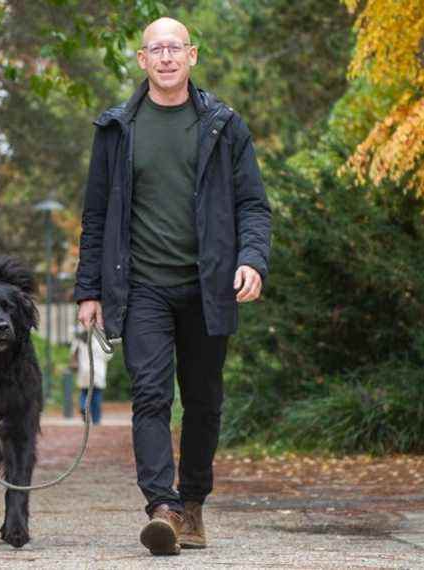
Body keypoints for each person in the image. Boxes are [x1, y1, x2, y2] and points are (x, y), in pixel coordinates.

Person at [73, 16, 271, 556]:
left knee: (204, 401)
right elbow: (96, 216)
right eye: (155, 49)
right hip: (141, 289)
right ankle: (163, 506)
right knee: (151, 394)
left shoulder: (223, 126)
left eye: (174, 48)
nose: (165, 57)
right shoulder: (116, 129)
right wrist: (89, 290)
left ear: (192, 56)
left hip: (209, 287)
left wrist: (252, 258)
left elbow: (253, 204)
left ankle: (195, 504)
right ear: (141, 60)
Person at [69, 324, 112, 425]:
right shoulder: (101, 339)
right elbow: (108, 354)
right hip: (97, 371)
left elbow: (72, 353)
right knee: (96, 394)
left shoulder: (79, 338)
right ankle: (96, 420)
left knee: (84, 392)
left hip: (84, 370)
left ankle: (84, 408)